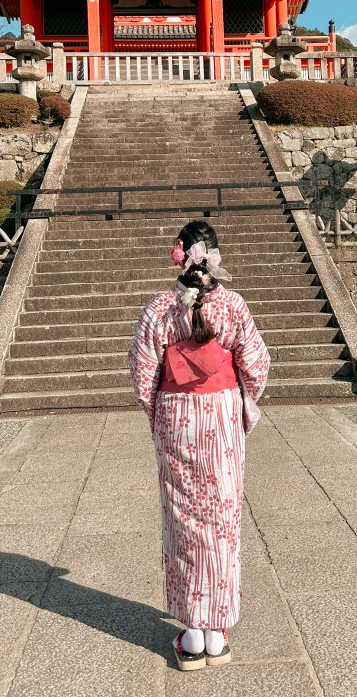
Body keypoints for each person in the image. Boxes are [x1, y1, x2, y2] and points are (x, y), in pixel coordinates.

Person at [128, 219, 270, 672]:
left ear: (179, 254)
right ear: (215, 256)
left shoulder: (158, 310)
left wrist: (158, 417)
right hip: (222, 414)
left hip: (177, 416)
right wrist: (241, 406)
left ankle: (192, 634)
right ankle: (217, 632)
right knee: (223, 517)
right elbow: (256, 366)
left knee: (182, 518)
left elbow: (143, 376)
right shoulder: (233, 305)